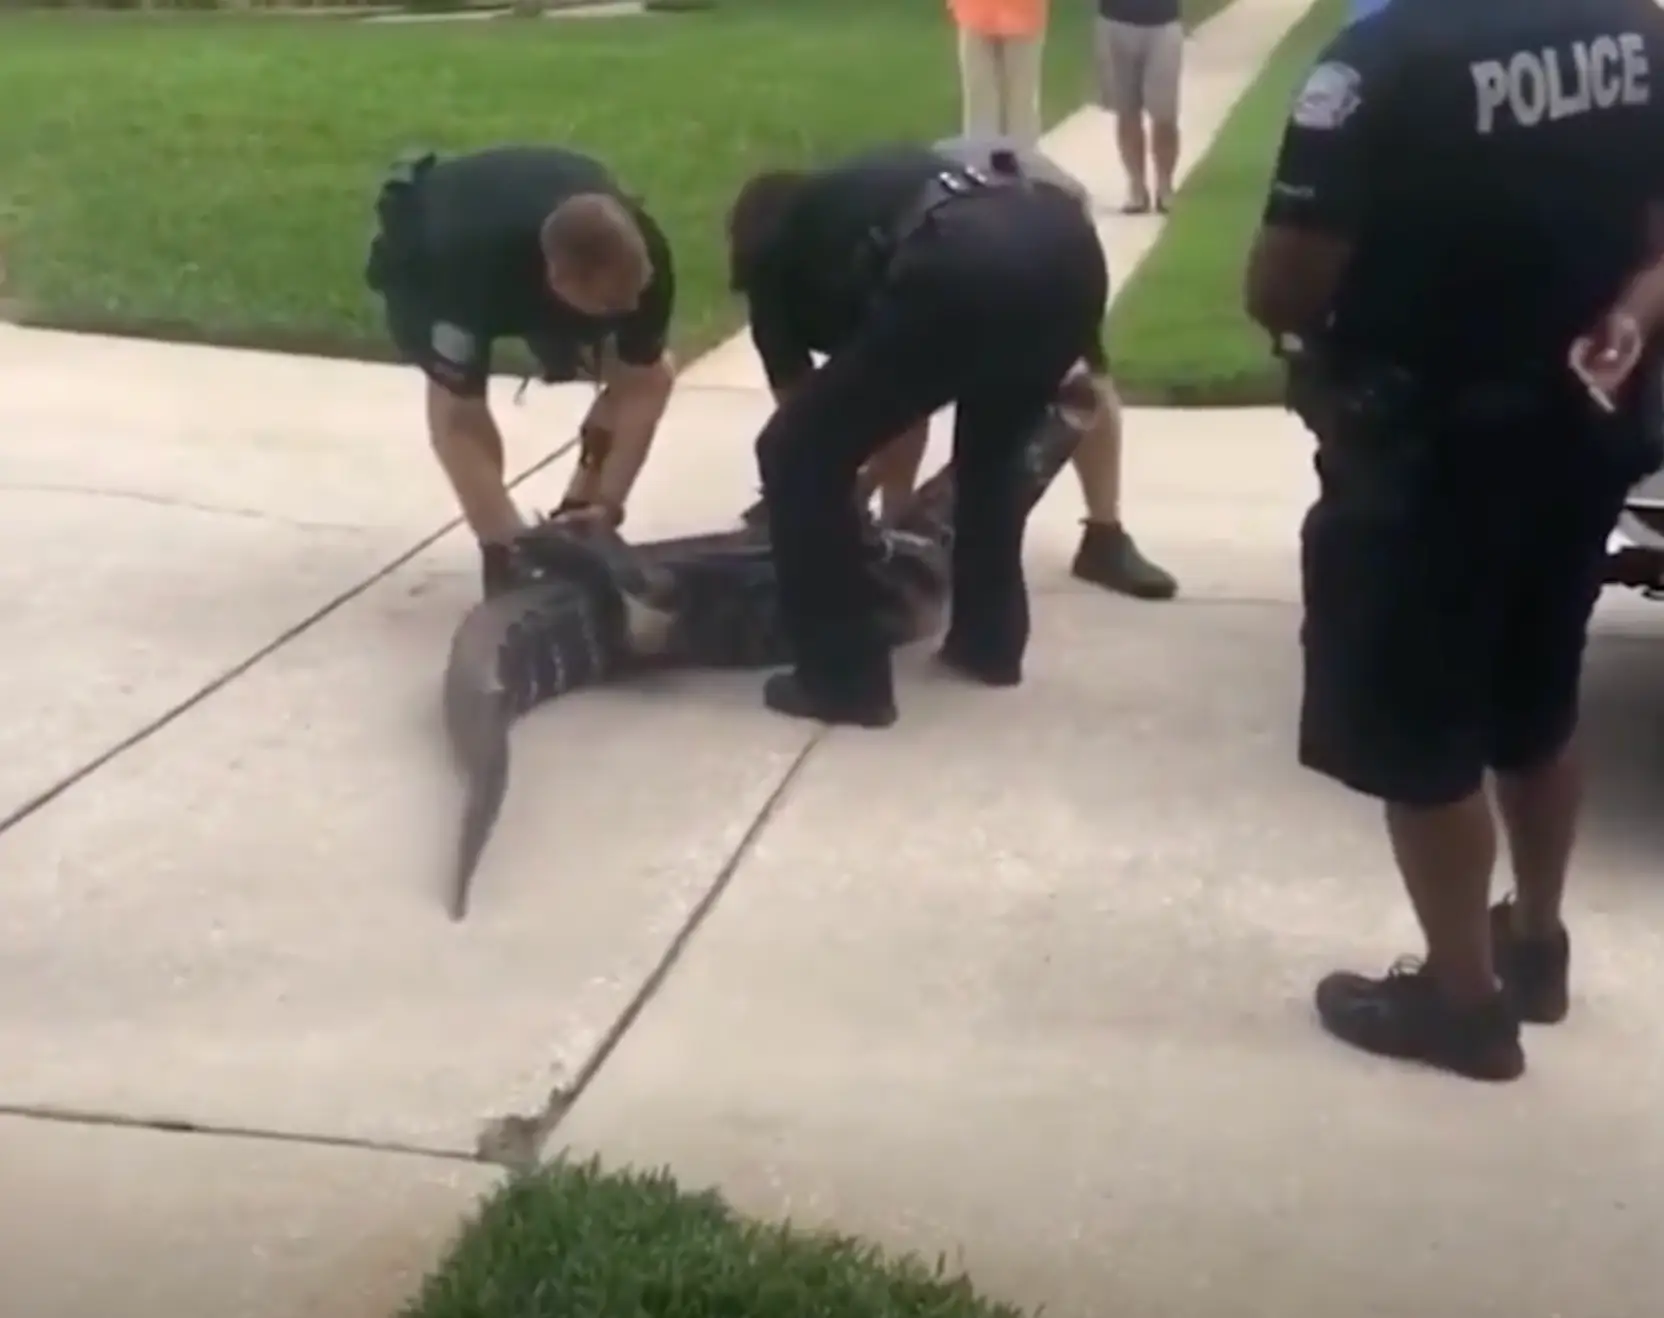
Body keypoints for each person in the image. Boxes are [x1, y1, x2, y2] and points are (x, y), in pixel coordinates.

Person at [1243, 3, 1664, 1081]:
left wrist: (1307, 356)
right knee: (1536, 693)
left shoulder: (1376, 61)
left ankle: (1461, 1002)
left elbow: (1284, 282)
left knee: (1419, 722)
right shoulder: (1630, 30)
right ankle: (1533, 943)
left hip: (1431, 445)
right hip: (1583, 427)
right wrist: (1625, 312)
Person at [726, 146, 1108, 727]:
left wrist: (834, 505)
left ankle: (841, 679)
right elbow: (890, 405)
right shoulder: (856, 209)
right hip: (1066, 251)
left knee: (791, 455)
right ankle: (989, 645)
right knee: (992, 455)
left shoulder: (774, 259)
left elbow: (807, 423)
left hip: (960, 264)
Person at [858, 134, 1175, 599]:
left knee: (1084, 374)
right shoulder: (891, 243)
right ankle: (895, 531)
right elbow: (897, 393)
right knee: (904, 377)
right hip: (954, 217)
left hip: (1039, 220)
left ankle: (1104, 536)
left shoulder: (1037, 244)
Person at [365, 146, 677, 597]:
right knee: (458, 399)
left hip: (534, 236)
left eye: (636, 292)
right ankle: (503, 547)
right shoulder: (465, 269)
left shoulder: (645, 260)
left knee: (644, 373)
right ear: (558, 282)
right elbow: (459, 418)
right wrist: (509, 541)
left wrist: (603, 504)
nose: (630, 310)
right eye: (612, 304)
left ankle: (580, 513)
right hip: (437, 244)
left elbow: (647, 383)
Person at [1095, 0, 1184, 213]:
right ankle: (1137, 187)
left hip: (1163, 22)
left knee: (1165, 115)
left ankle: (1164, 185)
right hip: (1114, 19)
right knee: (1126, 111)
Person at [949, 0, 1049, 145]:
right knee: (982, 100)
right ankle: (984, 160)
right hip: (977, 12)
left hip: (1021, 15)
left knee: (1019, 103)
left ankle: (1018, 158)